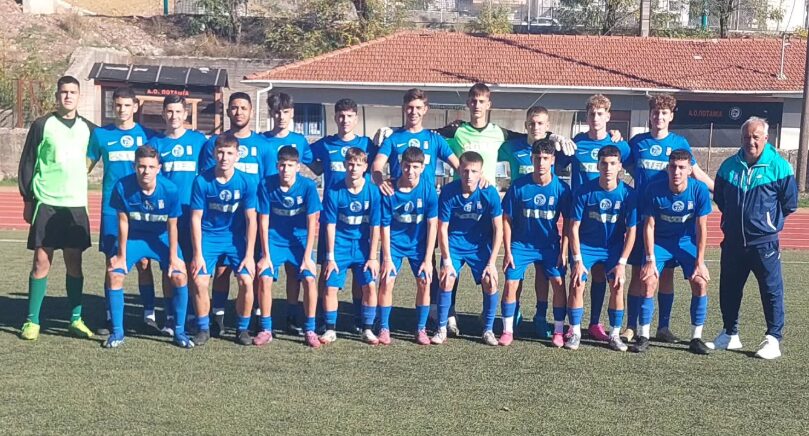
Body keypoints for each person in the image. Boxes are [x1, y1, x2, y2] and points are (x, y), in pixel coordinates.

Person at [624, 93, 714, 344]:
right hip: (644, 215)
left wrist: (720, 190)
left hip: (670, 220)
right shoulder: (638, 142)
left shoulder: (679, 143)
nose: (659, 117)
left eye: (664, 113)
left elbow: (695, 172)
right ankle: (631, 326)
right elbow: (625, 164)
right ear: (650, 115)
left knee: (666, 275)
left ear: (671, 116)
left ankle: (663, 327)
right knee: (640, 273)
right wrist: (616, 138)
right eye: (655, 112)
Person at [710, 117, 798, 360]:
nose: (751, 141)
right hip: (733, 242)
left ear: (766, 139)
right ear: (741, 139)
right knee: (729, 289)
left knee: (771, 291)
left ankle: (773, 338)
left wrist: (766, 222)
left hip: (764, 243)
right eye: (747, 137)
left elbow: (789, 204)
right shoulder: (728, 166)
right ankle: (730, 333)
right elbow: (721, 199)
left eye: (756, 137)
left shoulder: (780, 167)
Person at [17, 75, 96, 341]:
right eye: (64, 92)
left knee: (74, 262)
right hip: (47, 201)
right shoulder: (42, 125)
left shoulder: (89, 129)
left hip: (75, 204)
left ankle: (76, 319)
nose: (68, 96)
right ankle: (32, 321)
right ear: (57, 96)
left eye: (73, 92)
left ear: (79, 96)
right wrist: (28, 199)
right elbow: (28, 161)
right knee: (41, 261)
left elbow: (102, 151)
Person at [559, 94, 631, 344]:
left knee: (602, 277)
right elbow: (554, 163)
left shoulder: (619, 145)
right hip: (581, 218)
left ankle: (596, 323)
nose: (596, 118)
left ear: (608, 116)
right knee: (576, 277)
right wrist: (556, 139)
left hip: (609, 226)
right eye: (592, 114)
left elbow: (637, 169)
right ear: (586, 116)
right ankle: (573, 328)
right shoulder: (576, 142)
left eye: (600, 114)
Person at [87, 86, 159, 334]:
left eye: (127, 105)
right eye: (118, 105)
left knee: (144, 262)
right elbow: (84, 167)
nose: (122, 109)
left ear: (135, 107)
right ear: (112, 106)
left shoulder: (148, 135)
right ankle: (110, 316)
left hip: (140, 207)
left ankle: (149, 315)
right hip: (111, 207)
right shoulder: (100, 135)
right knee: (112, 261)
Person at [104, 146, 191, 349]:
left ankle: (179, 331)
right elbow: (123, 222)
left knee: (179, 274)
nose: (146, 171)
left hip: (161, 237)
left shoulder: (169, 190)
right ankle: (117, 332)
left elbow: (172, 226)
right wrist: (121, 255)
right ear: (134, 166)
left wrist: (174, 258)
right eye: (141, 166)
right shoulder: (122, 187)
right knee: (115, 273)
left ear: (159, 168)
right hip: (135, 237)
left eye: (151, 167)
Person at [199, 92, 270, 337]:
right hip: (218, 223)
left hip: (249, 221)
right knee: (220, 271)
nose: (239, 112)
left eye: (243, 108)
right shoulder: (214, 143)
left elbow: (268, 184)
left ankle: (253, 319)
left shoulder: (262, 145)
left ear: (251, 111)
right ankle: (217, 316)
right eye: (234, 108)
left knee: (251, 271)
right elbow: (209, 178)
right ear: (228, 111)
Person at [636, 149, 712, 354]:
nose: (676, 172)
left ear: (689, 170)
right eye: (673, 167)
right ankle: (643, 336)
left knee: (700, 281)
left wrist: (700, 262)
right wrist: (650, 259)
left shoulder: (699, 190)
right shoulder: (654, 189)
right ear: (667, 168)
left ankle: (696, 338)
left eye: (681, 167)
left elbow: (702, 227)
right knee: (648, 280)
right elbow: (649, 226)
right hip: (660, 242)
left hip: (685, 242)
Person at [311, 98, 376, 333]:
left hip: (358, 221)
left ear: (356, 118)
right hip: (333, 218)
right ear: (335, 118)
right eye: (341, 116)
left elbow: (380, 163)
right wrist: (320, 169)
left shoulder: (366, 144)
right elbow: (310, 161)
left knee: (361, 275)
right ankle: (322, 317)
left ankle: (359, 317)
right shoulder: (325, 144)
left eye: (349, 116)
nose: (345, 120)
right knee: (327, 269)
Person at [147, 95, 208, 336]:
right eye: (169, 111)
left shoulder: (198, 141)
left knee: (193, 265)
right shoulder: (156, 143)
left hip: (192, 214)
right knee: (169, 266)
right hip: (167, 216)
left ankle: (191, 314)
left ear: (186, 114)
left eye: (178, 111)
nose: (174, 116)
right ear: (164, 114)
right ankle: (171, 315)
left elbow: (207, 173)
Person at [501, 139, 571, 347]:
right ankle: (507, 330)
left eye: (545, 158)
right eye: (537, 158)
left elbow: (568, 222)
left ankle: (557, 330)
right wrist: (508, 250)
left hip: (548, 246)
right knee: (511, 282)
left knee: (558, 282)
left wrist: (564, 251)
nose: (541, 162)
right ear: (531, 159)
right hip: (521, 245)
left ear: (553, 160)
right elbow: (506, 219)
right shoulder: (519, 186)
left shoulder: (561, 189)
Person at [190, 133, 257, 346]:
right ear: (213, 153)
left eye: (229, 153)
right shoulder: (202, 181)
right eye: (220, 152)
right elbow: (195, 218)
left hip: (235, 239)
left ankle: (242, 329)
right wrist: (197, 254)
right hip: (209, 237)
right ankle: (203, 328)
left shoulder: (247, 181)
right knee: (200, 280)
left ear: (237, 155)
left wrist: (249, 255)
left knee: (246, 280)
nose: (224, 157)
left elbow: (251, 219)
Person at [567, 145, 636, 352]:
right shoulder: (584, 191)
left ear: (620, 166)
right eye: (604, 164)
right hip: (586, 247)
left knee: (617, 284)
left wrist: (622, 263)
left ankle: (614, 334)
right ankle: (575, 332)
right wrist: (577, 260)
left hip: (612, 248)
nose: (608, 168)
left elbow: (632, 231)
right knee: (577, 281)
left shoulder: (628, 194)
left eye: (613, 163)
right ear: (597, 166)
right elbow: (573, 227)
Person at [255, 146, 322, 348]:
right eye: (282, 165)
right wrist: (265, 255)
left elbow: (312, 222)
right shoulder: (266, 184)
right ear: (277, 166)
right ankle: (266, 329)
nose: (286, 169)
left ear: (298, 167)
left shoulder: (308, 186)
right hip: (274, 240)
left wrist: (308, 256)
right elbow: (263, 221)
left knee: (309, 278)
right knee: (264, 277)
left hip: (299, 240)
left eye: (290, 165)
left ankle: (310, 329)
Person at [434, 151, 503, 346]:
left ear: (481, 173)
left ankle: (488, 329)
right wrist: (446, 261)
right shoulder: (449, 191)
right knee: (447, 278)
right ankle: (441, 328)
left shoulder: (489, 193)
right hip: (454, 245)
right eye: (465, 171)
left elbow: (498, 229)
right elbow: (442, 228)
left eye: (474, 171)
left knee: (491, 280)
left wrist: (492, 263)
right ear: (459, 171)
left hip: (479, 246)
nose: (469, 176)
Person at [260, 92, 314, 335]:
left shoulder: (300, 141)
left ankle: (292, 314)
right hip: (268, 211)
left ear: (292, 113)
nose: (281, 116)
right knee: (263, 270)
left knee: (294, 271)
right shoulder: (262, 140)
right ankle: (260, 315)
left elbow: (318, 165)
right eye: (277, 112)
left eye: (286, 112)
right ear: (271, 113)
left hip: (294, 222)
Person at [378, 147, 439, 345]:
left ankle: (421, 329)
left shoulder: (428, 190)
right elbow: (384, 226)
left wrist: (428, 260)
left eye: (415, 167)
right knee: (386, 281)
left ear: (422, 168)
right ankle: (384, 327)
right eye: (406, 166)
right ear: (400, 165)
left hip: (418, 246)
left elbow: (432, 225)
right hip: (394, 245)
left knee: (425, 281)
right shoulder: (389, 190)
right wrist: (387, 258)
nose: (410, 171)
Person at [320, 147, 381, 345]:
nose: (354, 168)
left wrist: (373, 257)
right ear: (345, 165)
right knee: (330, 286)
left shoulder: (373, 191)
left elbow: (375, 226)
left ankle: (367, 329)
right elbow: (330, 225)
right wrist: (330, 257)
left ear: (365, 167)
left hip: (363, 247)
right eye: (351, 164)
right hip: (340, 245)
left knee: (370, 285)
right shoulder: (334, 191)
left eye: (358, 164)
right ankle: (330, 329)